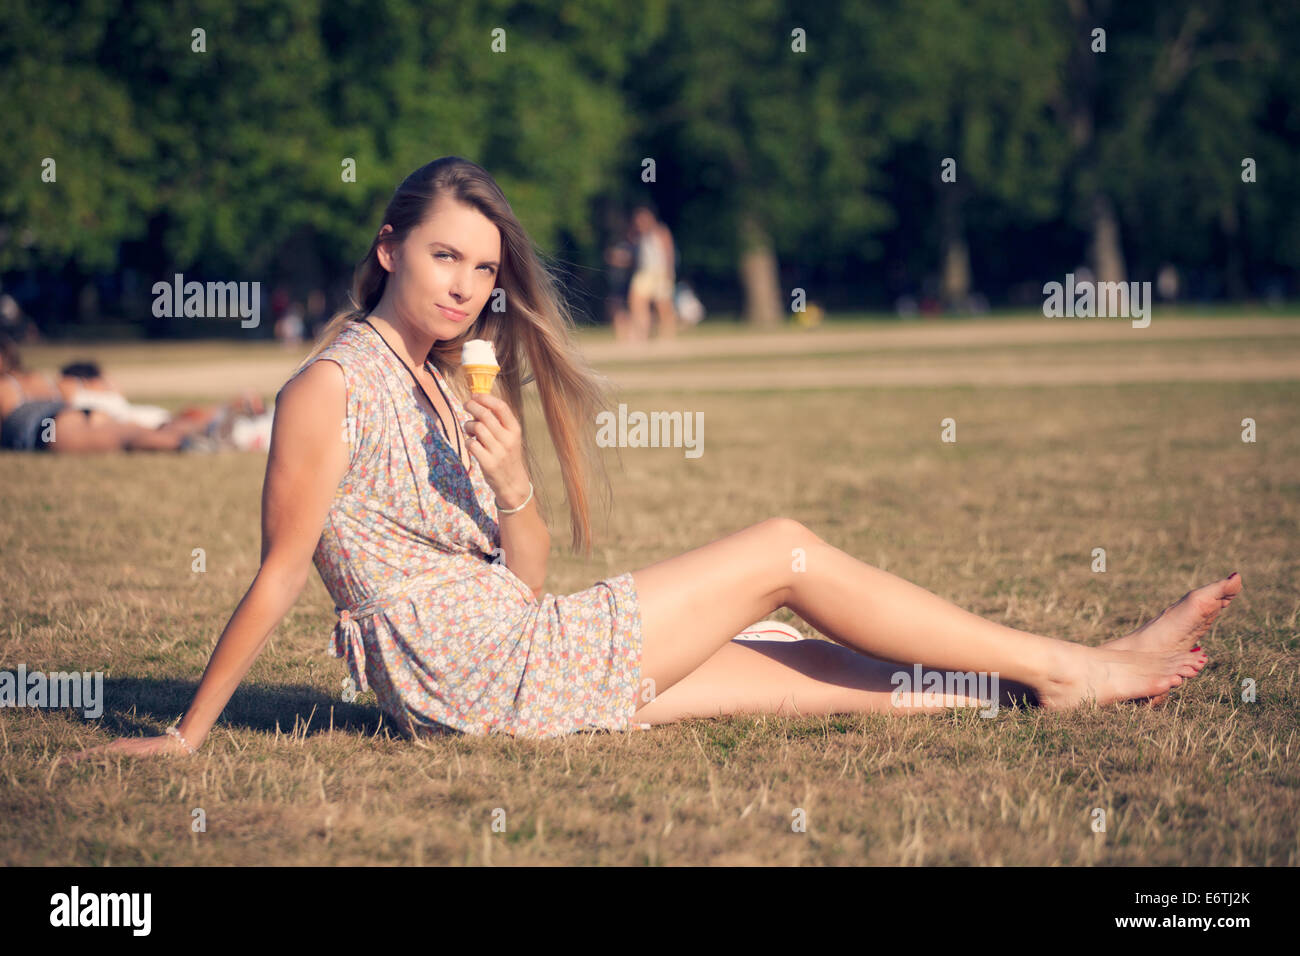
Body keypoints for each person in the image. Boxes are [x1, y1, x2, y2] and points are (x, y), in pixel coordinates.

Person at [68, 156, 1234, 761]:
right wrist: (187, 732)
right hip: (476, 680)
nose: (466, 285)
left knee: (813, 673)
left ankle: (1042, 678)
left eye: (481, 269)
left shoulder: (447, 381)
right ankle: (1080, 663)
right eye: (442, 257)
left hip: (503, 657)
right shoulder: (326, 385)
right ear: (386, 250)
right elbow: (279, 572)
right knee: (783, 549)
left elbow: (517, 575)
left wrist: (514, 477)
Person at [627, 204, 679, 341]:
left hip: (659, 272)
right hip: (644, 272)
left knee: (663, 305)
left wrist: (669, 271)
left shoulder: (660, 232)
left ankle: (667, 335)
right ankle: (642, 334)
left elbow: (669, 253)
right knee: (636, 302)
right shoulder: (639, 236)